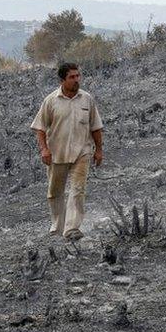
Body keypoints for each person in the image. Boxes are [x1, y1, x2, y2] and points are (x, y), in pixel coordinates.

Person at [30, 62, 104, 240]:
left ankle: (72, 229)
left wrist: (99, 150)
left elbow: (96, 127)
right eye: (72, 77)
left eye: (78, 76)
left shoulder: (87, 99)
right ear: (62, 79)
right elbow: (40, 128)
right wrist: (44, 150)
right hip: (57, 153)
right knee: (55, 192)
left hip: (82, 152)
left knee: (78, 189)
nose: (76, 80)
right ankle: (58, 227)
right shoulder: (51, 101)